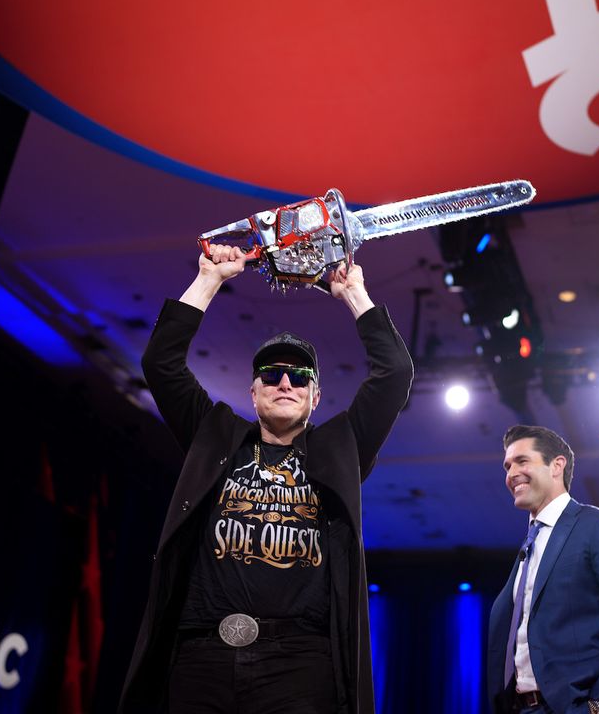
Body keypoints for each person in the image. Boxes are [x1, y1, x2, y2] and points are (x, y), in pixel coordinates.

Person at [119, 245, 414, 714]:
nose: (285, 383)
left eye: (299, 377)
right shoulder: (213, 434)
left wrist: (353, 292)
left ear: (315, 397)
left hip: (299, 665)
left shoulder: (340, 447)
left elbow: (395, 374)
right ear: (252, 392)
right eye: (272, 374)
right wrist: (210, 279)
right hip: (202, 656)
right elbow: (161, 364)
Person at [488, 425, 599, 714]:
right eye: (507, 466)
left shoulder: (597, 527)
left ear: (557, 465)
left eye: (522, 461)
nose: (510, 473)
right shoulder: (528, 547)